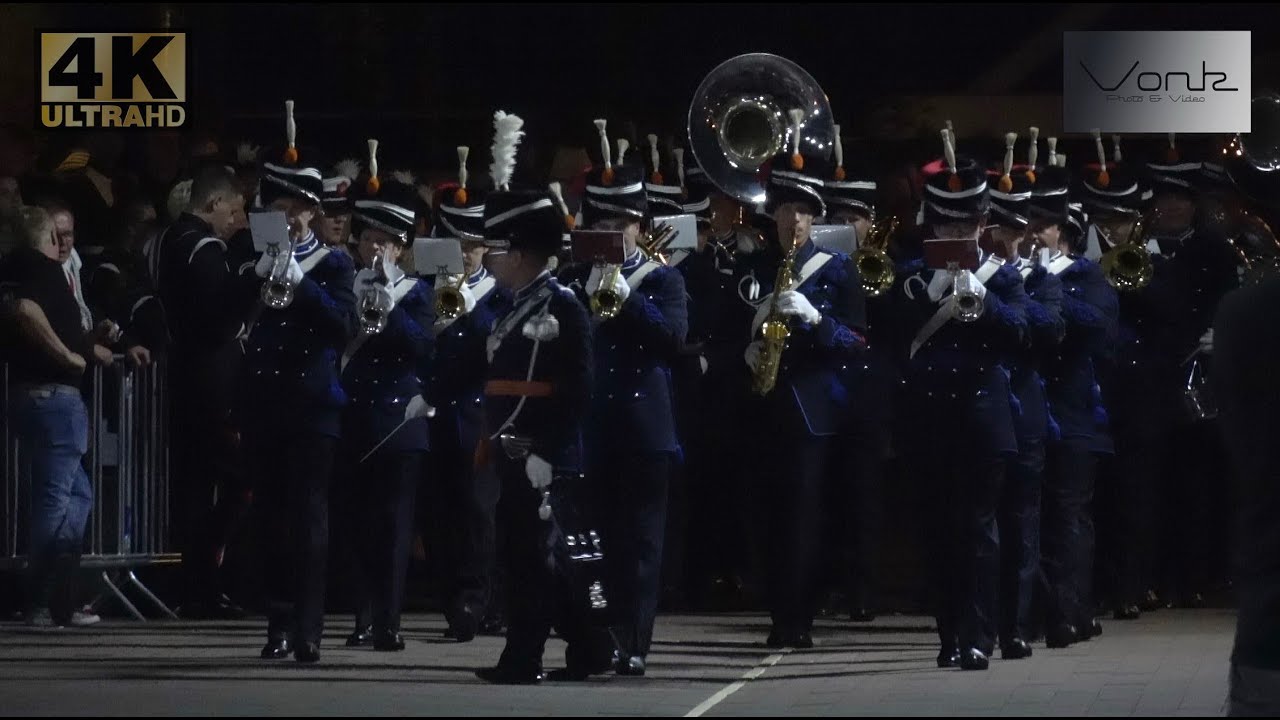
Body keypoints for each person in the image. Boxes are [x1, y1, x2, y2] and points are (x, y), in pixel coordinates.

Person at [474, 110, 612, 684]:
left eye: (496, 249)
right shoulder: (507, 307)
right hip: (513, 447)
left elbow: (578, 389)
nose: (488, 259)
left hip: (546, 454)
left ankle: (533, 655)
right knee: (527, 559)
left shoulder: (565, 308)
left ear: (521, 252)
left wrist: (548, 451)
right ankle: (582, 648)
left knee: (546, 561)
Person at [729, 118, 867, 649]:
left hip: (812, 408)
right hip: (759, 404)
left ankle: (798, 618)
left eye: (806, 212)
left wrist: (816, 320)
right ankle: (774, 608)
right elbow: (719, 331)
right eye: (788, 210)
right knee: (762, 515)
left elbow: (857, 343)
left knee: (805, 518)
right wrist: (745, 346)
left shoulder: (837, 270)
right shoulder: (753, 266)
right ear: (774, 215)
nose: (797, 221)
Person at [557, 120, 687, 675]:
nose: (614, 232)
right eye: (602, 222)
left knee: (639, 546)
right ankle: (595, 641)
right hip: (587, 430)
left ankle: (633, 643)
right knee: (589, 547)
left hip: (642, 429)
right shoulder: (569, 277)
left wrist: (619, 294)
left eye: (624, 223)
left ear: (640, 225)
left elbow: (671, 339)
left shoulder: (662, 279)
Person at [242, 142, 356, 664]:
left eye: (294, 210)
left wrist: (301, 284)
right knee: (269, 516)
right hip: (266, 400)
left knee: (310, 516)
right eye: (277, 209)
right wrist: (250, 276)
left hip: (313, 403)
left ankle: (309, 628)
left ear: (311, 212)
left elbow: (344, 326)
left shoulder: (333, 263)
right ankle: (279, 622)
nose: (285, 218)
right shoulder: (253, 260)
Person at [0, 206, 112, 628]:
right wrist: (66, 355)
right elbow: (26, 311)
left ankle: (59, 592)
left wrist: (85, 347)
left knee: (77, 496)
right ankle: (42, 601)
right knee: (54, 499)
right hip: (53, 397)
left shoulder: (12, 269)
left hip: (31, 395)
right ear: (46, 234)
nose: (64, 243)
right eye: (57, 234)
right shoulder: (39, 269)